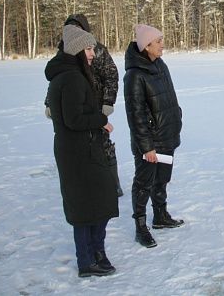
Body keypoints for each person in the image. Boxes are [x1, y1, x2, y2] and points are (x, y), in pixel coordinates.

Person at [45, 24, 119, 278]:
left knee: (96, 204)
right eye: (88, 48)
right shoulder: (72, 78)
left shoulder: (69, 74)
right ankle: (88, 261)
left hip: (80, 149)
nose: (93, 53)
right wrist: (101, 120)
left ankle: (95, 254)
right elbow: (74, 119)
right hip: (78, 152)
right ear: (76, 50)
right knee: (88, 207)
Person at [45, 14, 123, 197]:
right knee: (80, 147)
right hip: (74, 107)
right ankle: (86, 184)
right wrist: (49, 103)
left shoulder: (96, 49)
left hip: (95, 106)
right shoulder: (65, 52)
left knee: (103, 145)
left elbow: (111, 75)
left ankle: (113, 183)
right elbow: (57, 80)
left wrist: (107, 101)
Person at [124, 24, 184, 248]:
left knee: (162, 179)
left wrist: (177, 117)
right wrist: (146, 147)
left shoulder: (160, 65)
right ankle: (140, 228)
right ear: (145, 46)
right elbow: (136, 116)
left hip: (167, 135)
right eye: (158, 41)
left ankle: (160, 216)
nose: (162, 45)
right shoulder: (134, 75)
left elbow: (170, 97)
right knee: (143, 184)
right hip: (149, 143)